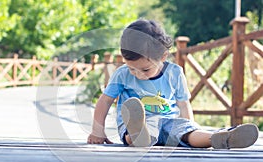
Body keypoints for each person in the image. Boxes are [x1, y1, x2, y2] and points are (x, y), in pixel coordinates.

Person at [87, 19, 259, 149]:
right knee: (140, 129)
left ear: (162, 56)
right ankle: (138, 136)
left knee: (186, 132)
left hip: (169, 121)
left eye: (145, 70)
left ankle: (219, 138)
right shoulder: (122, 74)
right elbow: (105, 101)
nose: (137, 74)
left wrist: (189, 126)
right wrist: (98, 131)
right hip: (139, 122)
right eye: (132, 69)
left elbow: (183, 104)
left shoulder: (174, 73)